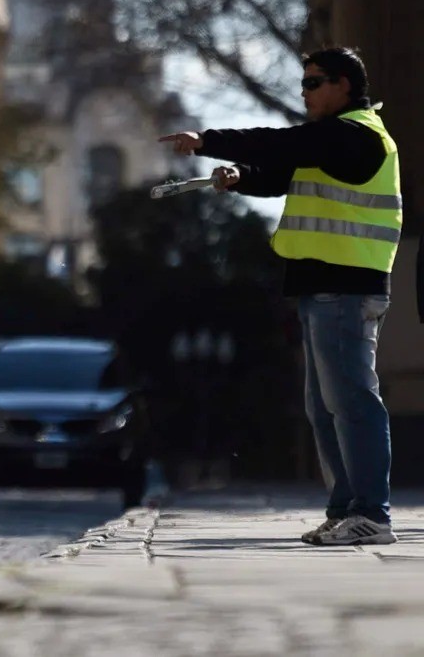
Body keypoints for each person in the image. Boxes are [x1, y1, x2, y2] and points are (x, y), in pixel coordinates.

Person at [160, 47, 401, 546]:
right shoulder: (332, 141)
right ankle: (345, 510)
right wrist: (241, 177)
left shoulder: (355, 135)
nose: (304, 91)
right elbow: (287, 172)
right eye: (304, 83)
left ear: (343, 86)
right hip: (322, 288)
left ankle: (372, 515)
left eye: (313, 82)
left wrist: (209, 142)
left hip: (347, 287)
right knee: (324, 407)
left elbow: (280, 144)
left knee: (353, 402)